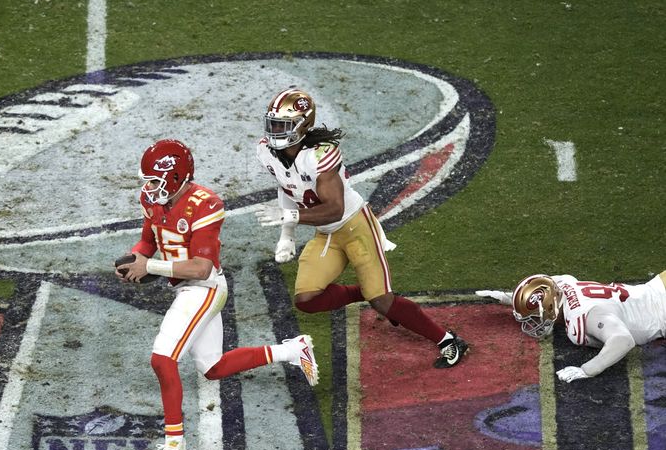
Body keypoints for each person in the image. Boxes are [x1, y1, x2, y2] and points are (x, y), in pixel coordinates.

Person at [116, 138, 319, 450]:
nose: (149, 189)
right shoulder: (152, 200)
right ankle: (293, 351)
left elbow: (201, 268)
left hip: (204, 287)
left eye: (155, 181)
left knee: (162, 359)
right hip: (185, 288)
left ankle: (174, 448)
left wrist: (148, 267)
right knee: (213, 367)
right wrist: (135, 258)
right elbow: (149, 241)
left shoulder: (205, 204)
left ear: (177, 176)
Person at [254, 87, 469, 368]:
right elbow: (287, 187)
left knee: (382, 302)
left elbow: (334, 208)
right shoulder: (266, 151)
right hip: (327, 233)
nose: (275, 131)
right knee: (306, 299)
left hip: (356, 227)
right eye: (273, 124)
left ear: (302, 125)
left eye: (283, 125)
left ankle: (449, 341)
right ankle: (364, 292)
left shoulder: (320, 155)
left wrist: (290, 218)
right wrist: (287, 236)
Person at [476, 271, 666, 382]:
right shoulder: (565, 283)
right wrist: (509, 298)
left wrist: (588, 369)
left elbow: (623, 340)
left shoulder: (582, 317)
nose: (534, 321)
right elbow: (543, 289)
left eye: (534, 316)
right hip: (658, 284)